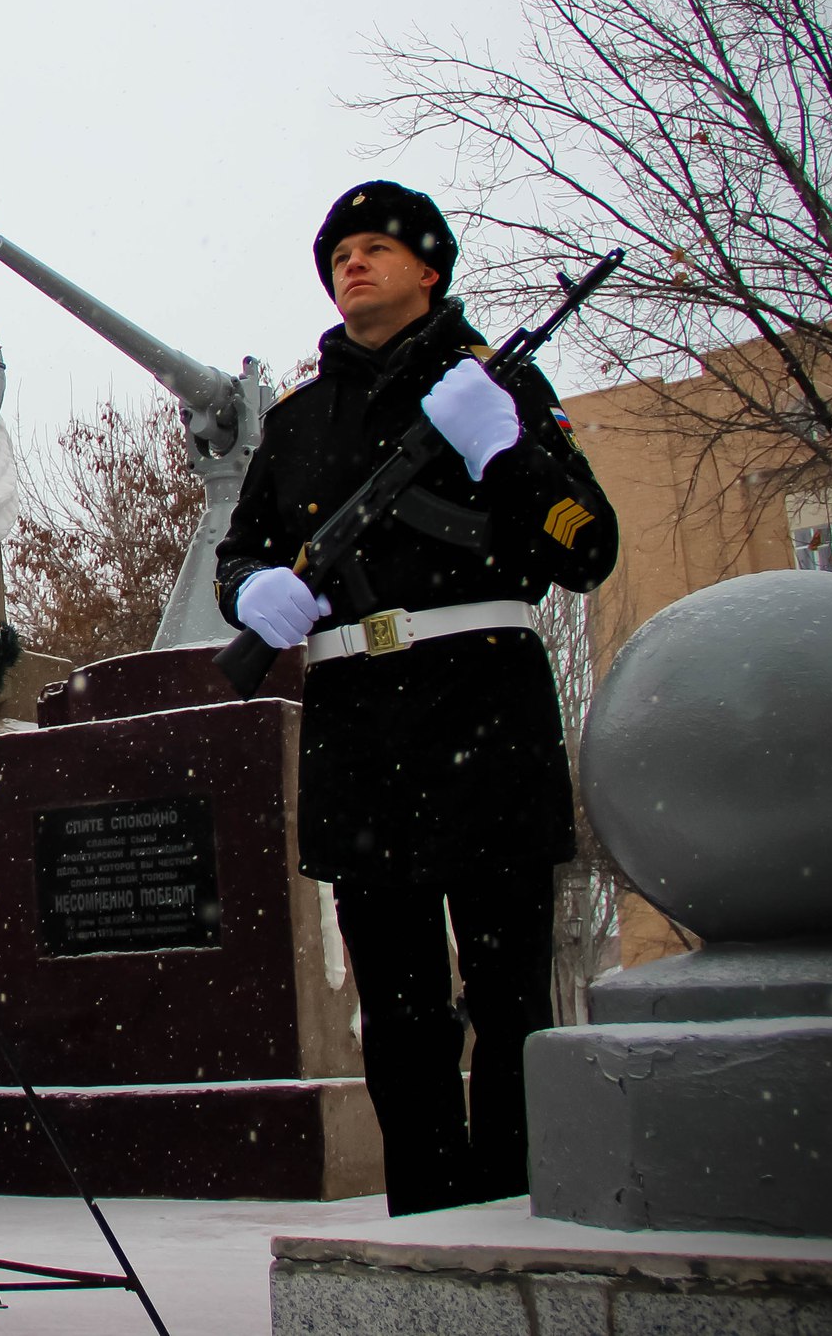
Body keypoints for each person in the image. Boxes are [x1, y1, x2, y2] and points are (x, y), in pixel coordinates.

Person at [215, 181, 618, 1215]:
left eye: (376, 248)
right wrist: (249, 592)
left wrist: (503, 451)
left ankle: (527, 1206)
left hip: (482, 700)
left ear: (428, 269)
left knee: (509, 990)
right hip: (358, 722)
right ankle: (429, 1219)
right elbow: (244, 549)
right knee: (398, 1006)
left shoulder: (499, 387)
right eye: (340, 251)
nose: (353, 263)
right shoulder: (298, 420)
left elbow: (586, 548)